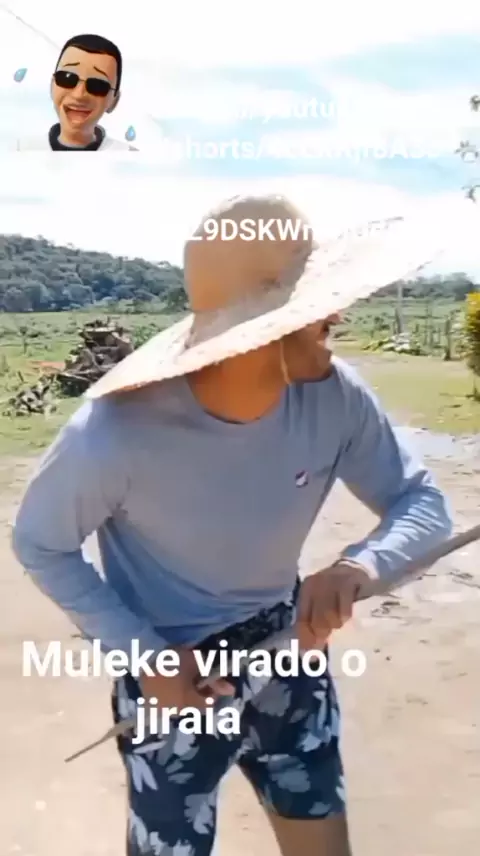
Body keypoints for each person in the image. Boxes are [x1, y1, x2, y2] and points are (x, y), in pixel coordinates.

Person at [12, 194, 453, 856]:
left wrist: (359, 566)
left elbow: (421, 500)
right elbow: (41, 542)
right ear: (258, 328)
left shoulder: (335, 397)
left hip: (288, 651)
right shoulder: (115, 433)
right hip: (174, 675)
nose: (336, 313)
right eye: (313, 301)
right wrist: (142, 655)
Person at [14, 33, 136, 151]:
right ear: (52, 86)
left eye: (97, 85)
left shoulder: (129, 157)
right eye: (67, 78)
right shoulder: (21, 149)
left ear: (114, 101)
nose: (79, 95)